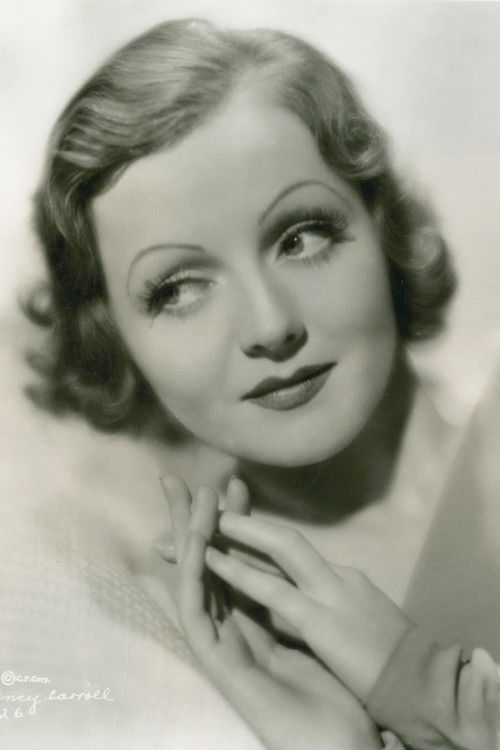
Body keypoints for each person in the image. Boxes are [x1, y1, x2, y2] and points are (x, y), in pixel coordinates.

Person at [25, 16, 498, 749]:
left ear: (382, 226)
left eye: (301, 237)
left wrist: (419, 681)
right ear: (110, 338)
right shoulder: (187, 624)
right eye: (179, 288)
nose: (270, 325)